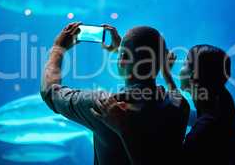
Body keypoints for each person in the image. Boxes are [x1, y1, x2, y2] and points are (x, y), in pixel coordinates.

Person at [40, 22, 190, 165]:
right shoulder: (180, 105)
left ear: (123, 60)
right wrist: (123, 52)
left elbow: (50, 92)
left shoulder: (104, 105)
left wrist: (57, 49)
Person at [179, 45, 235, 165]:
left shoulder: (203, 131)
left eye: (184, 64)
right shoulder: (221, 115)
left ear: (193, 75)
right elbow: (187, 116)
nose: (180, 68)